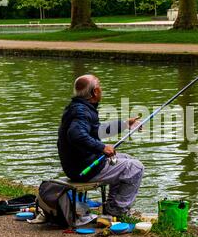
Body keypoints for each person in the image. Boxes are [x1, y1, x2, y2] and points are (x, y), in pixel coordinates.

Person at [57, 74, 144, 217]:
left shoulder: (80, 107)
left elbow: (98, 130)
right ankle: (117, 210)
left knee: (127, 159)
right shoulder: (81, 111)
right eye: (100, 87)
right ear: (95, 91)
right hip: (84, 168)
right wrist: (102, 148)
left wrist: (124, 124)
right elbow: (76, 134)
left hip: (81, 164)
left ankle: (112, 206)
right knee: (136, 168)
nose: (101, 90)